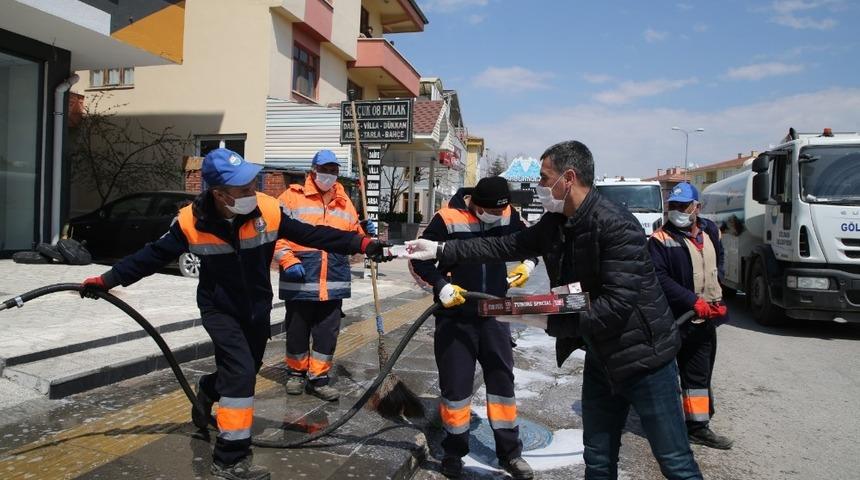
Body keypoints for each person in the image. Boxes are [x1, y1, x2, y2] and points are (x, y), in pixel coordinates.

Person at [79, 148, 391, 480]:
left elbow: (313, 234)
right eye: (242, 189)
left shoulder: (267, 210)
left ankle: (208, 389)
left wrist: (362, 244)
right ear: (219, 194)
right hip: (219, 309)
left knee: (245, 370)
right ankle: (229, 459)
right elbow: (150, 257)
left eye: (252, 185)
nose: (251, 192)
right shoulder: (189, 223)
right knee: (241, 375)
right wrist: (106, 280)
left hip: (256, 308)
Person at [404, 141, 703, 480]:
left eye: (545, 179)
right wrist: (441, 250)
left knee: (674, 462)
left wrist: (546, 318)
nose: (540, 187)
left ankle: (509, 451)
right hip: (601, 355)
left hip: (645, 358)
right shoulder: (558, 221)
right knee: (598, 459)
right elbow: (507, 244)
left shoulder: (616, 225)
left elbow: (617, 305)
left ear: (568, 178)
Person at [410, 177, 537, 480]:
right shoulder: (447, 218)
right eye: (490, 211)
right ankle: (454, 452)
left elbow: (530, 243)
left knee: (502, 382)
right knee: (456, 387)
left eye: (501, 211)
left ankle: (510, 453)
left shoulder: (508, 214)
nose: (497, 216)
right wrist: (440, 286)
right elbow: (418, 258)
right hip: (456, 315)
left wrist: (528, 264)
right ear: (476, 204)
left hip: (495, 313)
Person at [274, 150, 375, 401]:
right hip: (301, 277)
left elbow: (351, 236)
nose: (329, 174)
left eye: (333, 170)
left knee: (327, 332)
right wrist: (287, 260)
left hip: (333, 278)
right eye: (324, 169)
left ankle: (319, 378)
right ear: (313, 170)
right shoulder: (291, 197)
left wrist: (364, 233)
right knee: (297, 329)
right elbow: (276, 233)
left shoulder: (344, 201)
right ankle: (296, 373)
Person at [648, 182, 733, 450]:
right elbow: (659, 277)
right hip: (675, 319)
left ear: (697, 207)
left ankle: (697, 427)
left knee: (698, 375)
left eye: (683, 206)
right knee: (664, 375)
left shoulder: (711, 231)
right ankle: (661, 423)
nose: (677, 211)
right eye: (673, 205)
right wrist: (691, 301)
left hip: (704, 319)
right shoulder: (660, 239)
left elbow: (718, 261)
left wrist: (717, 293)